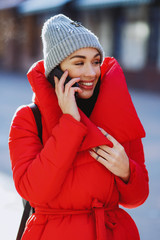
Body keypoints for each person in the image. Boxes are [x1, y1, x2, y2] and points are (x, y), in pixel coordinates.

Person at [9, 14, 149, 240]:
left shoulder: (117, 112)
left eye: (95, 61)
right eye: (78, 62)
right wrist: (70, 124)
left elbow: (138, 198)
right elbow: (34, 191)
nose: (91, 73)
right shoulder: (27, 118)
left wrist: (126, 170)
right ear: (56, 70)